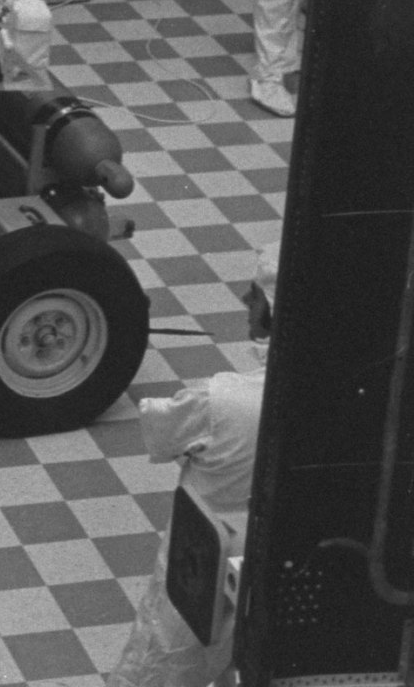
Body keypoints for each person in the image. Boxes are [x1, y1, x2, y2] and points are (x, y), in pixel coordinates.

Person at [106, 244, 278, 687]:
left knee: (165, 662)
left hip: (203, 559)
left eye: (255, 294)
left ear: (274, 310)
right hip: (277, 560)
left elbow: (162, 431)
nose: (245, 300)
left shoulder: (221, 399)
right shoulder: (333, 400)